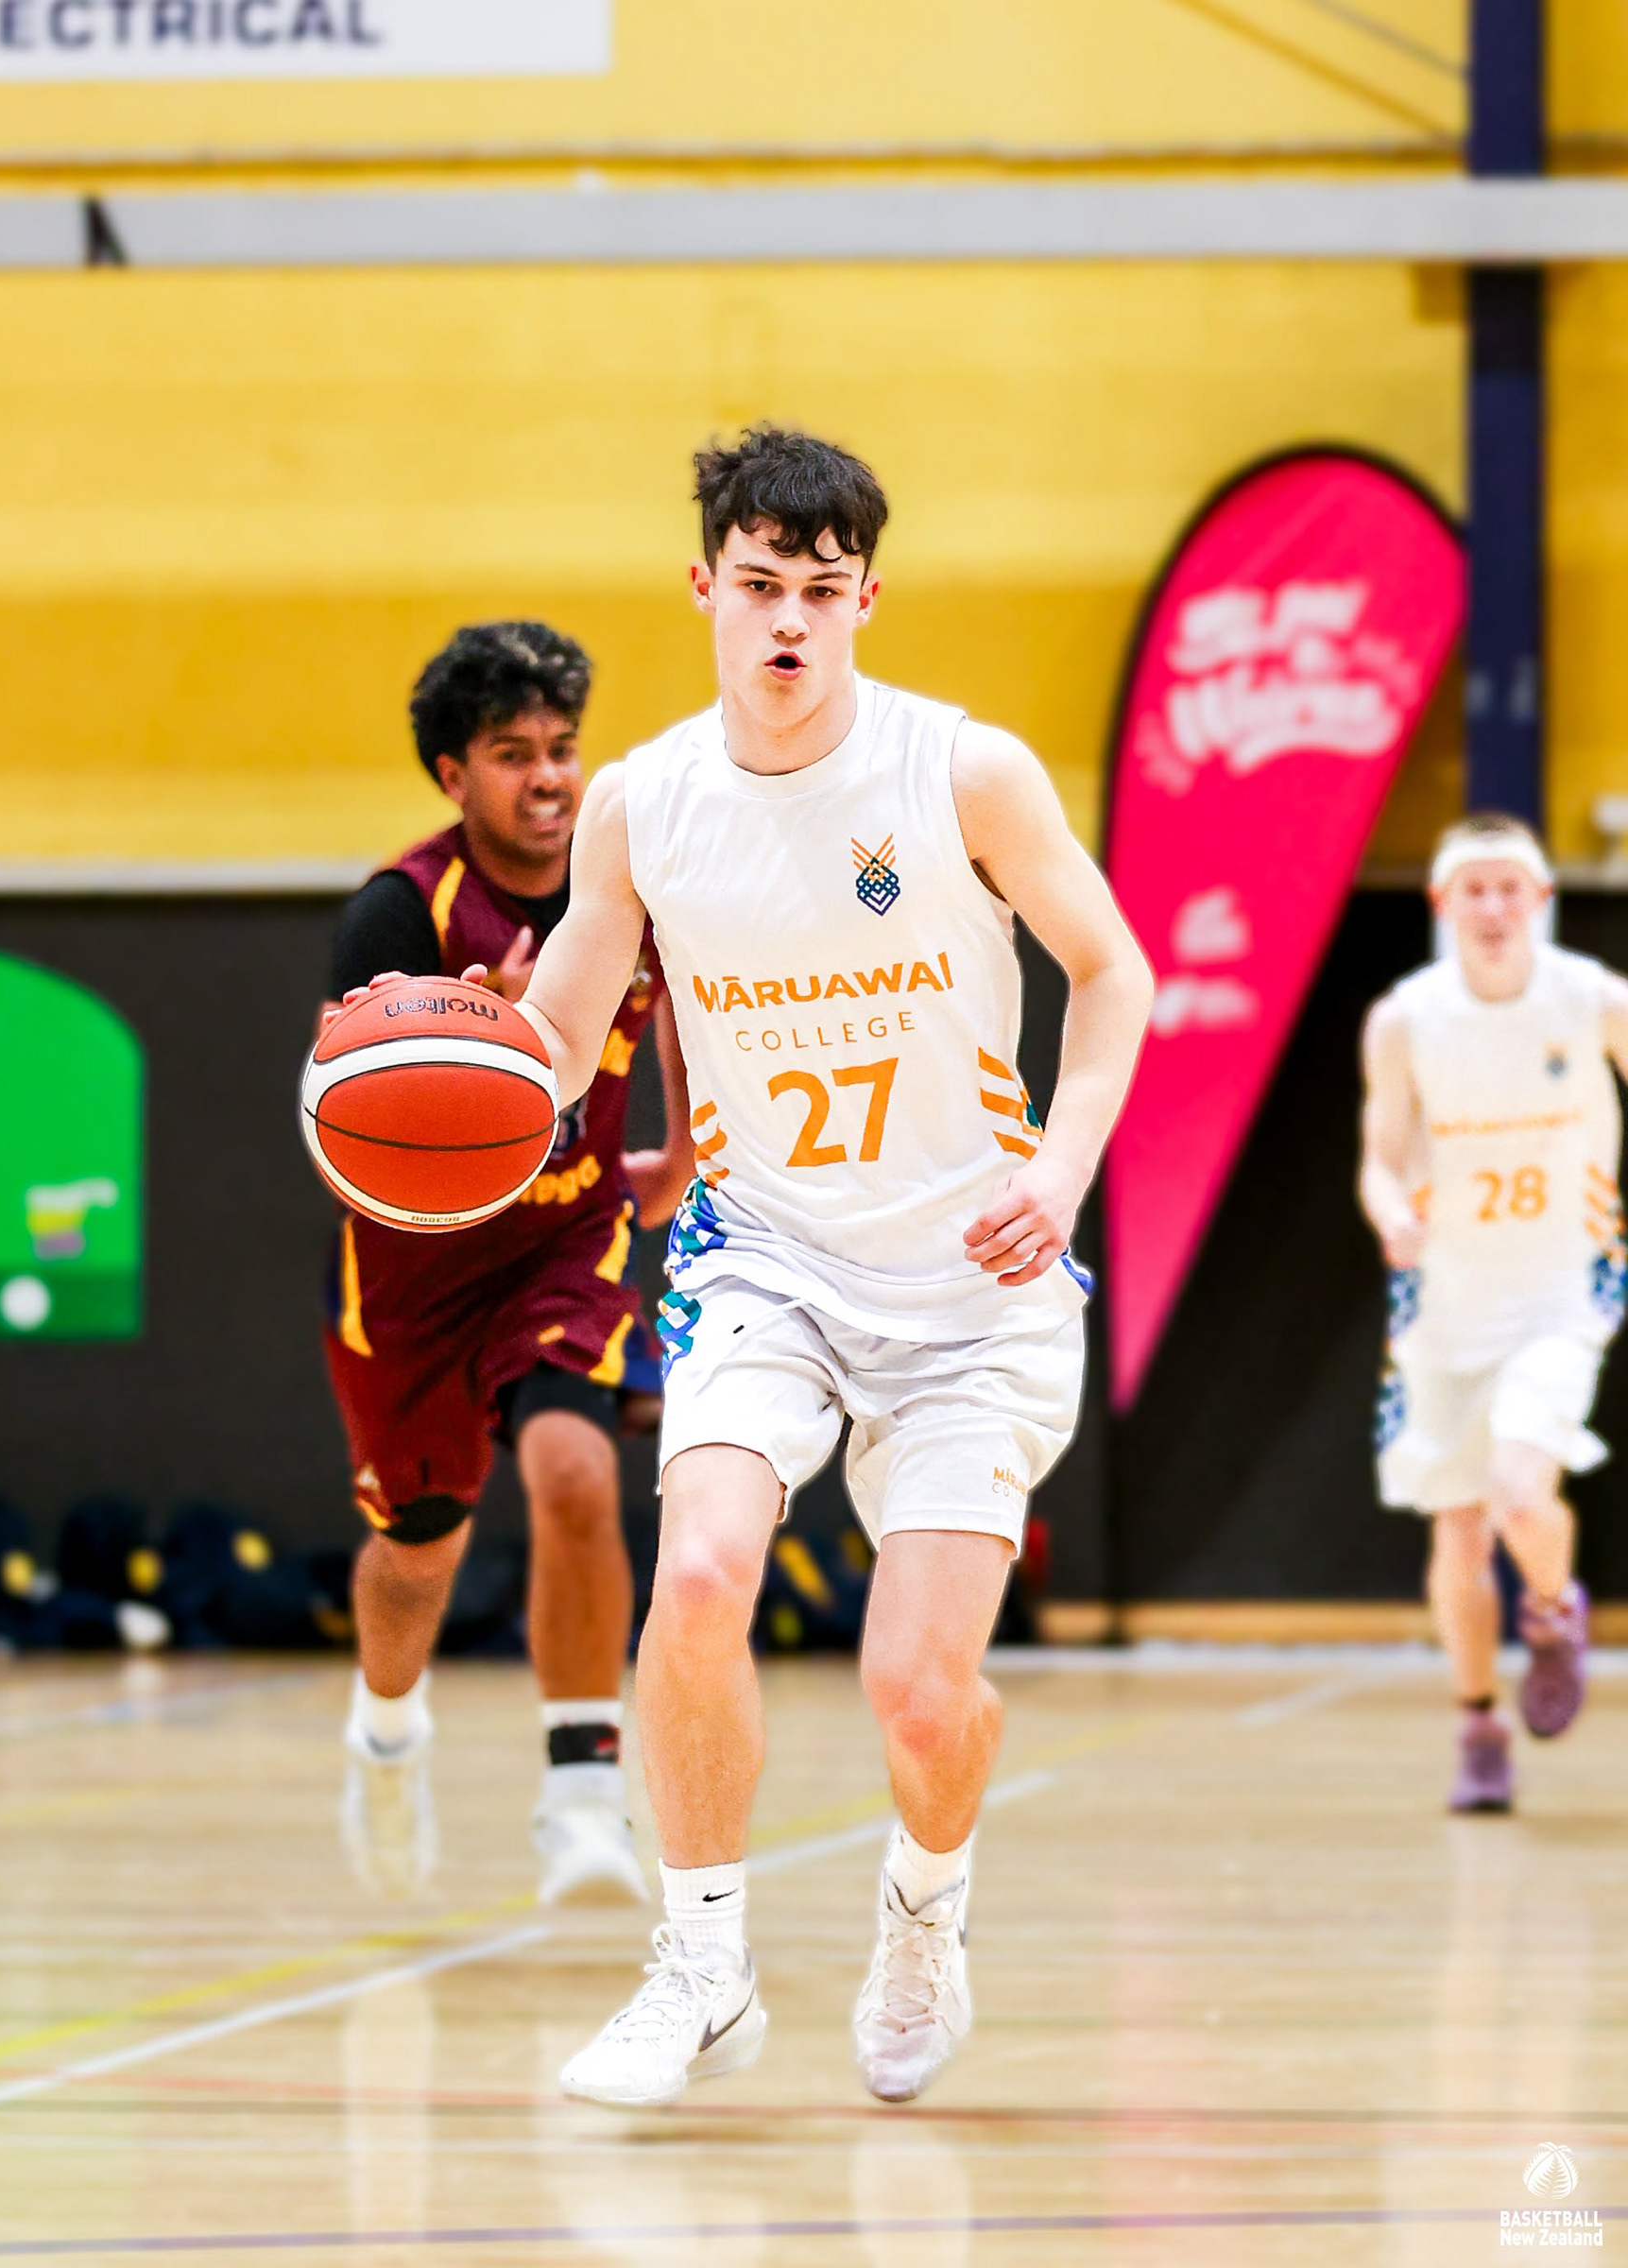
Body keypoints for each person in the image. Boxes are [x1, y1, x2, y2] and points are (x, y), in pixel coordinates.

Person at [461, 427, 1152, 2106]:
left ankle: (926, 1905)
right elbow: (559, 1036)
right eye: (760, 585)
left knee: (917, 1694)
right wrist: (457, 1066)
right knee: (699, 1574)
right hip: (764, 1258)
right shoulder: (640, 805)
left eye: (821, 592)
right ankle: (702, 1968)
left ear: (866, 600)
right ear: (704, 585)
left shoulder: (963, 773)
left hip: (973, 1284)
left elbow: (1113, 970)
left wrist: (1061, 1171)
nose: (788, 621)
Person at [326, 622, 693, 1906]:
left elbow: (685, 1002)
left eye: (562, 747)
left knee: (576, 1468)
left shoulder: (626, 881)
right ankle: (386, 1738)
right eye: (512, 753)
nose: (548, 777)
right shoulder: (401, 909)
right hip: (416, 1277)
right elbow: (339, 1131)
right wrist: (478, 1034)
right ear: (453, 774)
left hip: (567, 1239)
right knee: (416, 1557)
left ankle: (583, 1801)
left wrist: (682, 1150)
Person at [1359, 813, 1626, 1814]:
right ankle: (1478, 1728)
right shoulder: (1405, 1021)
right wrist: (1391, 1211)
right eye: (1474, 888)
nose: (1494, 907)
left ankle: (1553, 1611)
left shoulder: (1594, 1001)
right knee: (1458, 1533)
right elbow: (1380, 1159)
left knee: (1520, 1490)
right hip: (1443, 1301)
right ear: (1443, 904)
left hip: (1563, 1288)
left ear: (1541, 899)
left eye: (1511, 887)